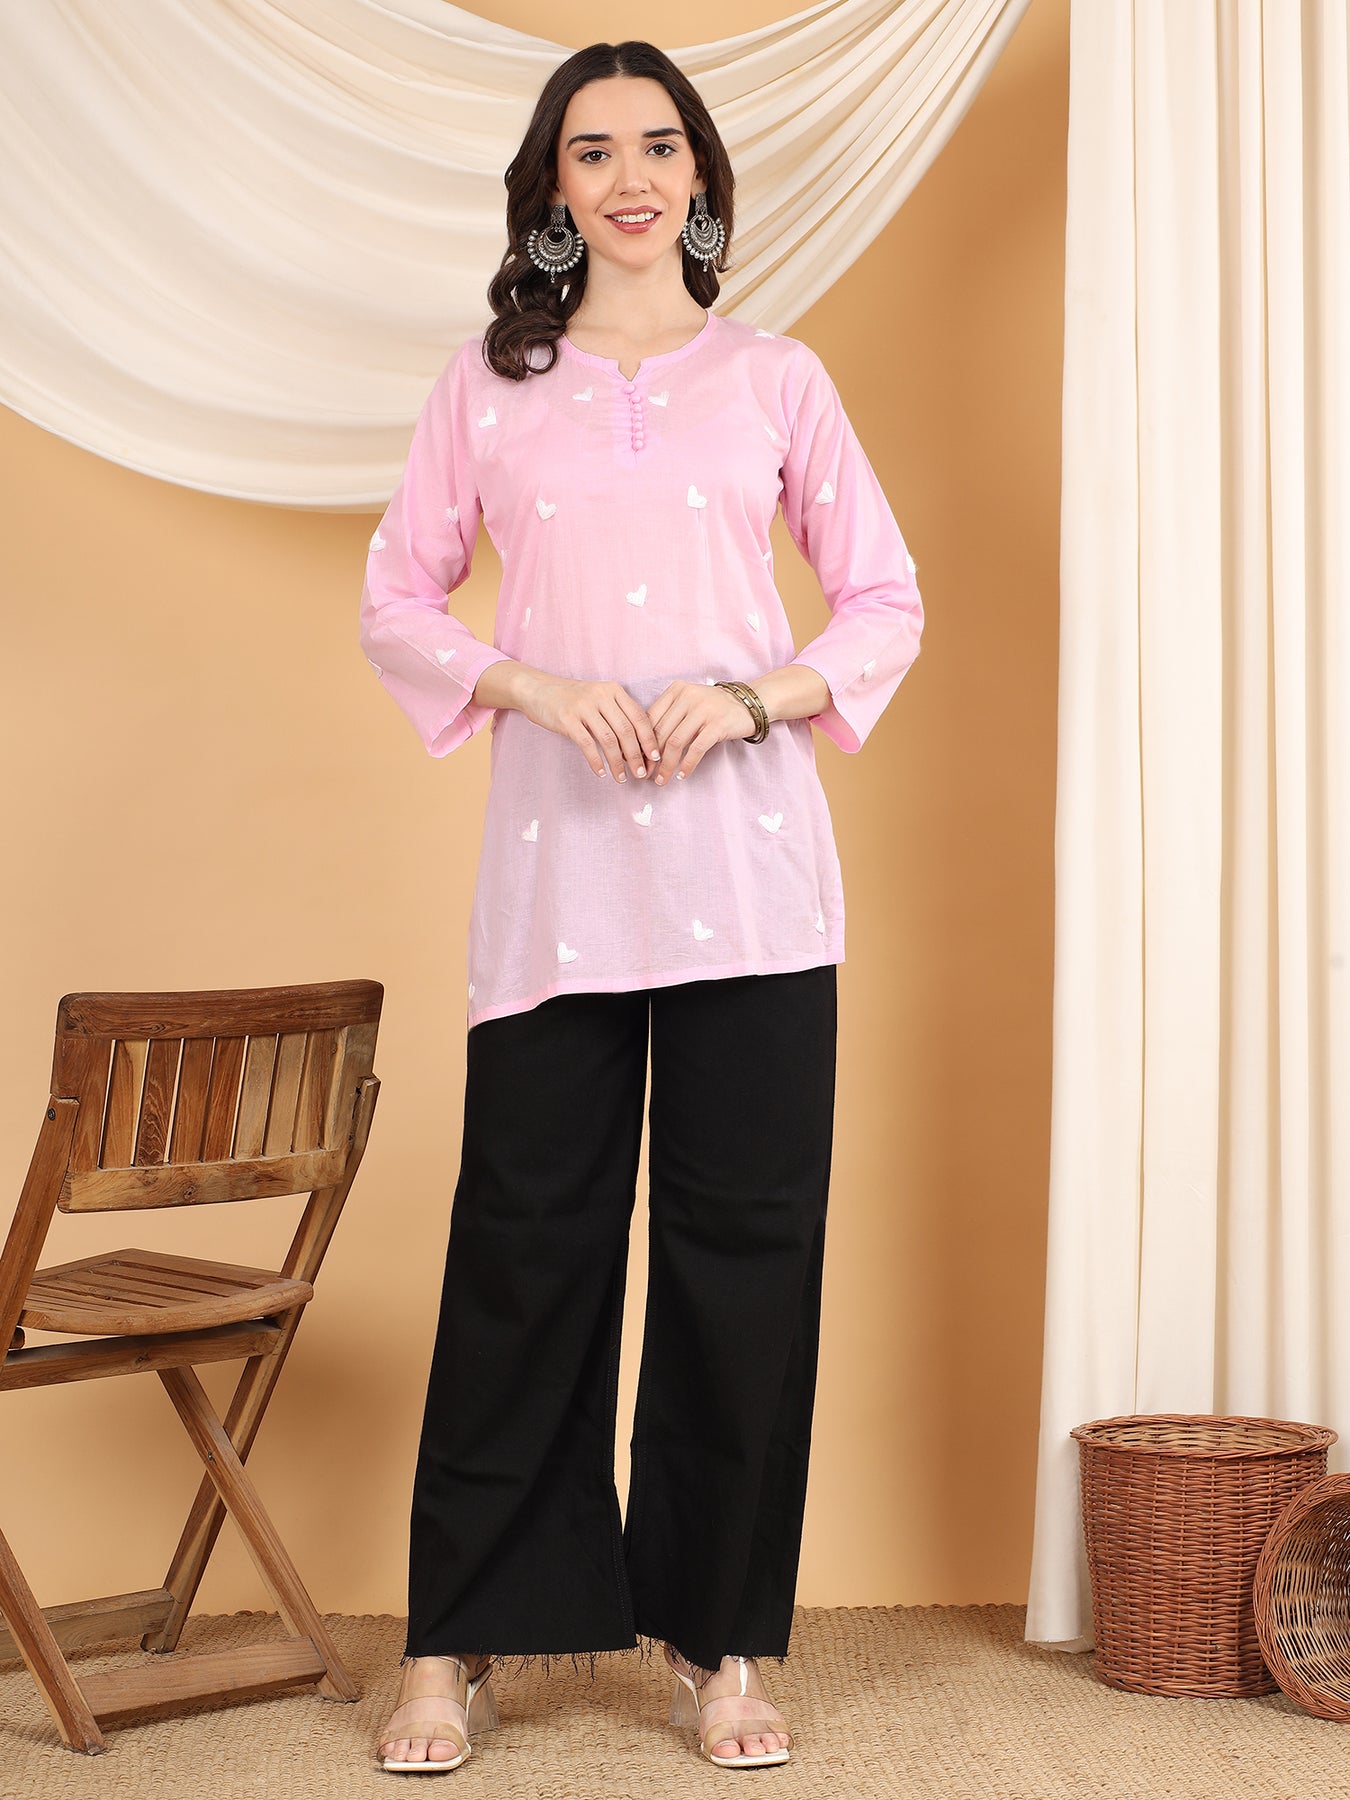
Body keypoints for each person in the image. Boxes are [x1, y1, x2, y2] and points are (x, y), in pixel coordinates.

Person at [358, 37, 923, 1776]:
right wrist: (529, 686)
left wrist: (751, 698)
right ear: (551, 185)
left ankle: (718, 1642)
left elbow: (882, 601)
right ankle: (453, 1643)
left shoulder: (775, 378)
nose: (628, 177)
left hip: (752, 884)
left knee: (742, 1257)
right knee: (522, 1252)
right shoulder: (486, 387)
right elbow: (398, 599)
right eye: (592, 149)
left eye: (658, 146)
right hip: (560, 886)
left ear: (698, 178)